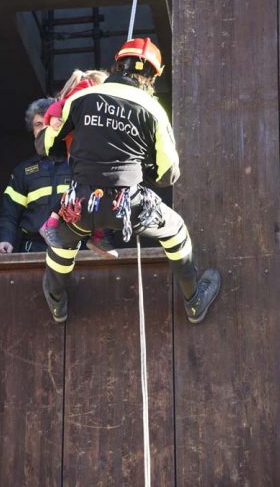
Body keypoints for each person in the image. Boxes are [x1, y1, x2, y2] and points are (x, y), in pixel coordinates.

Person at [36, 37, 221, 324]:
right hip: (129, 207)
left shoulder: (81, 98)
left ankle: (57, 305)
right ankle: (194, 301)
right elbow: (168, 174)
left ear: (117, 64)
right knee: (176, 232)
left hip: (80, 206)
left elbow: (47, 146)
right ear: (151, 76)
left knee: (61, 243)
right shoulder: (153, 110)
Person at [41, 68, 118, 259]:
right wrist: (52, 120)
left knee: (93, 194)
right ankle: (52, 224)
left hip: (82, 155)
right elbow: (57, 107)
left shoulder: (85, 96)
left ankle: (97, 235)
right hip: (83, 155)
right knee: (92, 191)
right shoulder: (86, 94)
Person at [0, 98, 71, 253]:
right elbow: (9, 214)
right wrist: (4, 240)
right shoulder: (23, 170)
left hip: (74, 250)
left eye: (48, 123)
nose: (43, 129)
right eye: (38, 125)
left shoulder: (78, 164)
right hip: (33, 250)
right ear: (32, 130)